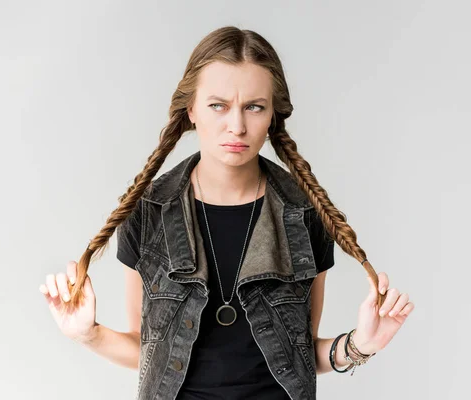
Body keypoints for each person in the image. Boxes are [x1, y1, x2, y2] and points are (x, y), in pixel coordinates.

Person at [38, 26, 414, 400]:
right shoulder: (149, 211)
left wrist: (361, 344)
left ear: (271, 116)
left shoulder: (304, 213)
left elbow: (298, 354)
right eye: (218, 105)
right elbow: (149, 350)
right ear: (192, 110)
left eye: (254, 107)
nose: (237, 126)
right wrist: (86, 333)